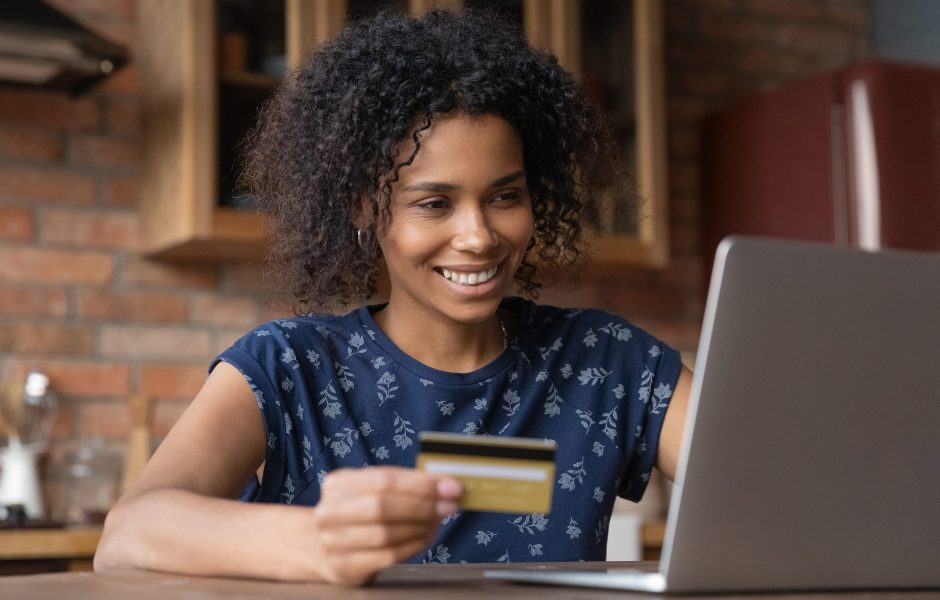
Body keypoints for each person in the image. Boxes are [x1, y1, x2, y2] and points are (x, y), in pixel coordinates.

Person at [94, 8, 692, 586]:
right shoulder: (289, 366)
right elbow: (127, 537)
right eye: (434, 204)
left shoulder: (606, 361)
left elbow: (761, 486)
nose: (479, 236)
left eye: (505, 196)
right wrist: (315, 542)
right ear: (365, 206)